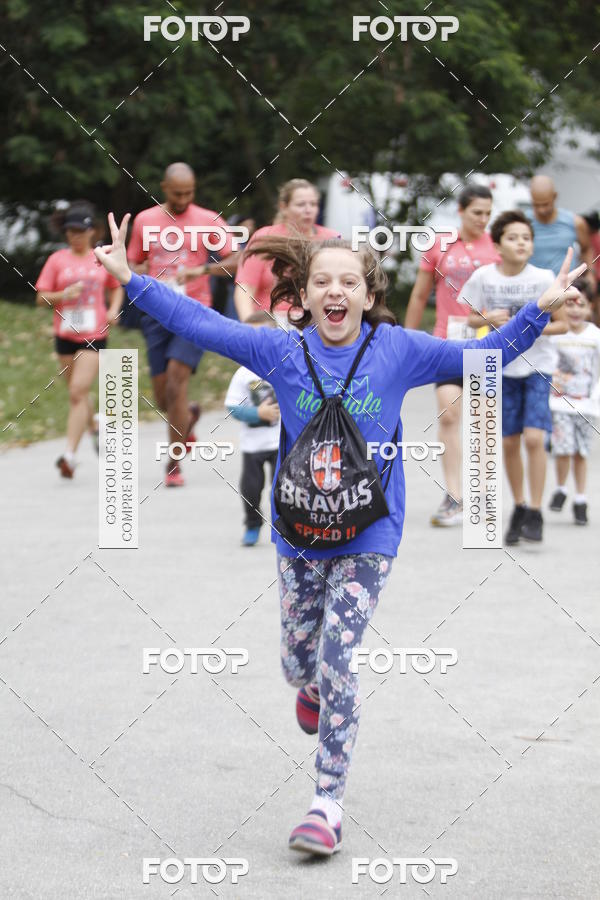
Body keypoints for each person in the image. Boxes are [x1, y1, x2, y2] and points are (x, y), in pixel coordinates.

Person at [95, 211, 583, 858]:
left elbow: (482, 357)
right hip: (298, 531)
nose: (335, 291)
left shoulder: (400, 350)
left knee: (337, 657)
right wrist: (133, 278)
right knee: (298, 662)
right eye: (323, 280)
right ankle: (310, 686)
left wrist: (537, 310)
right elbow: (202, 325)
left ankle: (326, 804)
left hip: (370, 535)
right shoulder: (281, 349)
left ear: (367, 294)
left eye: (348, 281)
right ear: (304, 294)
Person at [127, 162, 241, 487]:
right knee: (164, 398)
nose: (183, 199)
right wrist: (143, 268)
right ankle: (187, 417)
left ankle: (174, 464)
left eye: (189, 193)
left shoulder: (208, 220)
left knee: (177, 382)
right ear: (164, 188)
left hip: (193, 312)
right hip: (155, 311)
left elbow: (236, 259)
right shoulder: (145, 220)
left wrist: (203, 271)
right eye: (177, 194)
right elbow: (133, 261)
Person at [461, 209, 567, 544]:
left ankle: (536, 510)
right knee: (507, 441)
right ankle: (519, 505)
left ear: (532, 247)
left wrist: (530, 329)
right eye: (513, 237)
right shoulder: (483, 277)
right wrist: (486, 319)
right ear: (498, 245)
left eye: (526, 238)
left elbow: (562, 323)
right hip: (498, 367)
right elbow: (470, 319)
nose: (521, 243)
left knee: (535, 438)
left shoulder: (542, 277)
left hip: (538, 368)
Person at [405, 184, 500, 526]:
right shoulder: (439, 245)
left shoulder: (498, 247)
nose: (483, 219)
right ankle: (454, 495)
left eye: (488, 213)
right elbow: (418, 296)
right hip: (447, 342)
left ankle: (483, 495)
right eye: (477, 212)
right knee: (448, 416)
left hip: (486, 343)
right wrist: (407, 339)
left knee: (483, 422)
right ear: (460, 211)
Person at [35, 202, 123, 478]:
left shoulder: (101, 256)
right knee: (78, 393)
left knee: (77, 392)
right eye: (71, 231)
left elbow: (117, 284)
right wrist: (63, 295)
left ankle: (69, 457)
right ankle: (95, 424)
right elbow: (41, 298)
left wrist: (112, 309)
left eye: (81, 231)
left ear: (92, 230)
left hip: (94, 335)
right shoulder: (57, 260)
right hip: (64, 334)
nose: (76, 236)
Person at [233, 178, 339, 326]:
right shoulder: (265, 237)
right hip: (271, 322)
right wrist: (251, 326)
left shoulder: (332, 238)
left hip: (318, 322)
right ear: (283, 207)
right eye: (301, 204)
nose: (308, 210)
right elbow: (245, 289)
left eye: (313, 204)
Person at [224, 311, 280, 546]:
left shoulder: (285, 366)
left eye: (263, 337)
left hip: (282, 442)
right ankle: (253, 523)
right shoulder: (243, 373)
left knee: (284, 489)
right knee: (250, 489)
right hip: (253, 445)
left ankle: (286, 527)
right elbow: (233, 407)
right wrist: (258, 413)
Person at [548, 278, 600, 525]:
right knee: (562, 449)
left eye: (581, 305)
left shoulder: (595, 335)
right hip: (558, 403)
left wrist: (595, 398)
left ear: (590, 307)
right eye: (570, 305)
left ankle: (580, 498)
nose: (575, 310)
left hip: (585, 405)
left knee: (581, 452)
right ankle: (561, 488)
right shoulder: (555, 334)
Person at [529, 175, 594, 277]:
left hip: (565, 287)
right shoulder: (524, 222)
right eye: (536, 205)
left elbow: (586, 249)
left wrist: (589, 273)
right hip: (533, 287)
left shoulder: (575, 222)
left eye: (545, 204)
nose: (541, 210)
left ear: (554, 196)